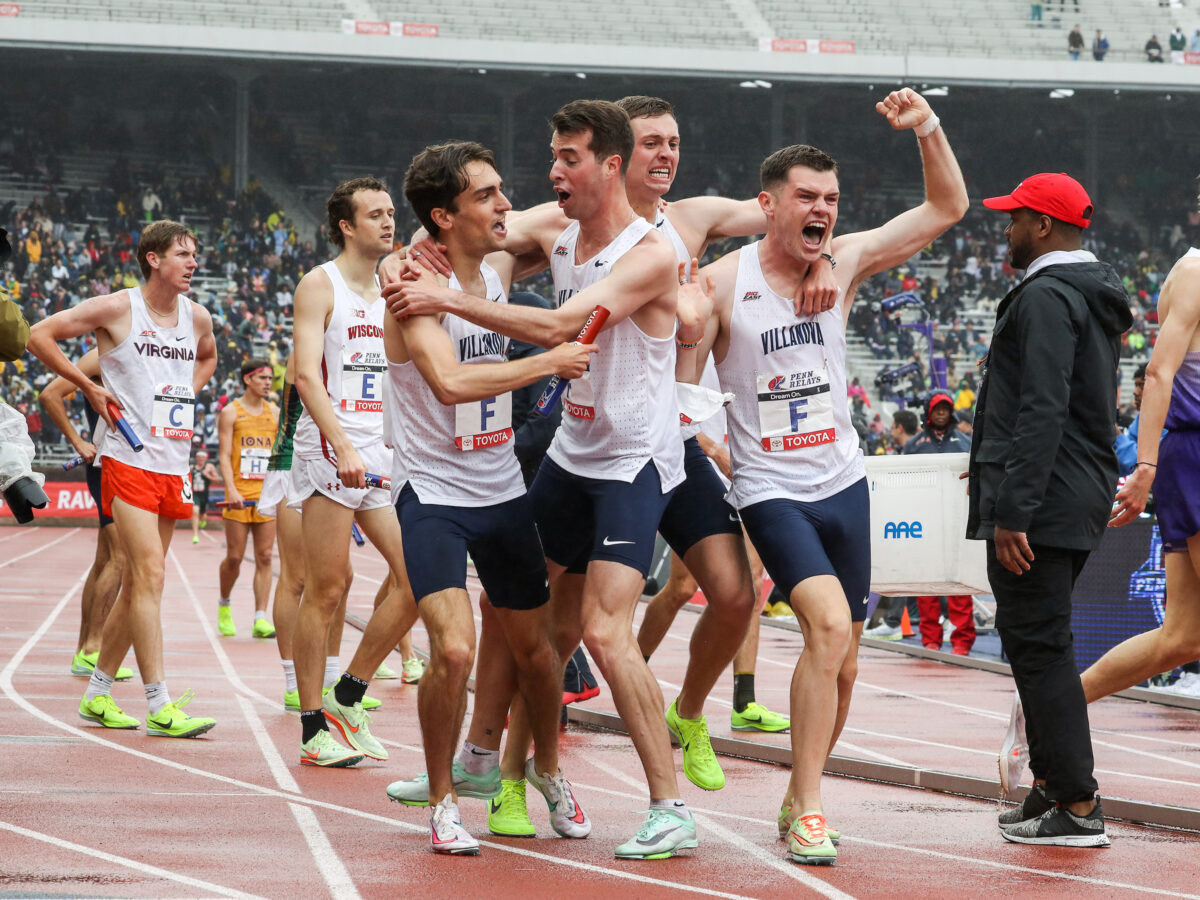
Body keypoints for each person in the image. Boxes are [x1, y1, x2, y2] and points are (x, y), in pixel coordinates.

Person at [387, 100, 703, 859]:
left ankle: (669, 805)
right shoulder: (556, 231)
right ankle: (478, 760)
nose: (551, 173)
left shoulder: (652, 251)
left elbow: (563, 330)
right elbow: (466, 230)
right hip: (569, 453)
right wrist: (413, 256)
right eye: (553, 157)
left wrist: (443, 296)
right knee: (512, 613)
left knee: (598, 629)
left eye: (567, 159)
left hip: (630, 460)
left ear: (610, 165)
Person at [682, 88, 967, 864]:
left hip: (843, 482)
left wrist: (927, 128)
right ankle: (808, 805)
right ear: (767, 205)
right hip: (771, 489)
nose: (822, 210)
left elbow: (947, 206)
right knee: (832, 626)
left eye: (832, 200)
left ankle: (797, 794)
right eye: (806, 197)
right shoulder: (718, 284)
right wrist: (715, 451)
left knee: (841, 664)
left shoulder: (840, 263)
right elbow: (684, 385)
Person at [384, 141, 596, 855]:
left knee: (539, 657)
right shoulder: (410, 289)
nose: (505, 204)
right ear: (445, 216)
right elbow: (448, 383)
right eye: (488, 195)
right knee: (451, 651)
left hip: (501, 486)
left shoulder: (494, 269)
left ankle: (547, 772)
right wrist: (549, 361)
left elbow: (551, 219)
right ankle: (444, 800)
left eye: (504, 191)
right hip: (434, 493)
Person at [971, 172, 1131, 847]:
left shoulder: (1045, 295)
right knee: (1040, 645)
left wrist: (1014, 510)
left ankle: (1077, 802)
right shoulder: (1090, 293)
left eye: (1014, 219)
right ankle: (1050, 783)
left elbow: (1042, 406)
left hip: (1043, 498)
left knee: (1042, 649)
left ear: (1041, 225)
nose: (1006, 230)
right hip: (1074, 488)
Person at [27, 219, 220, 738]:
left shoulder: (196, 316)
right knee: (150, 576)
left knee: (138, 582)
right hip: (127, 458)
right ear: (154, 258)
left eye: (195, 254)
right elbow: (38, 335)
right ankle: (159, 703)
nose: (193, 262)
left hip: (172, 463)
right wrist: (86, 388)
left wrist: (184, 389)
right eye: (183, 253)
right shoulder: (118, 308)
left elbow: (208, 357)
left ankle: (97, 695)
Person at [289, 176, 420, 768]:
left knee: (421, 575)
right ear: (347, 225)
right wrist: (340, 442)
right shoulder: (320, 285)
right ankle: (313, 726)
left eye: (391, 213)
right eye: (375, 215)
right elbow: (304, 375)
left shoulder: (398, 283)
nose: (388, 223)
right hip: (330, 449)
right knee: (329, 588)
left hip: (385, 449)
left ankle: (350, 693)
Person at [1090, 231, 1200, 707]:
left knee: (1181, 639)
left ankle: (1049, 713)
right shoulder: (1195, 275)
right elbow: (1158, 373)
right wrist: (1146, 465)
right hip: (1194, 452)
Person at [39, 348, 133, 682]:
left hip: (130, 465)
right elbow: (50, 394)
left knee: (106, 559)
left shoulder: (147, 351)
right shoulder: (100, 355)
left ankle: (84, 650)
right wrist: (78, 441)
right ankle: (94, 649)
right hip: (109, 465)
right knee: (120, 559)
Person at [904, 391, 975, 655]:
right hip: (925, 521)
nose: (942, 412)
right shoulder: (914, 444)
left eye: (946, 408)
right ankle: (930, 640)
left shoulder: (966, 441)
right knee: (927, 583)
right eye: (937, 408)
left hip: (957, 520)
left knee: (960, 583)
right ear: (928, 412)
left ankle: (962, 641)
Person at [216, 359, 278, 638]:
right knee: (234, 557)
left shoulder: (275, 413)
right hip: (239, 496)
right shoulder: (230, 412)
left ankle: (260, 617)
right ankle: (224, 603)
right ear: (247, 379)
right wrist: (232, 489)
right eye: (263, 377)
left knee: (265, 556)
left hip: (265, 496)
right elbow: (224, 456)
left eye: (271, 378)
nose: (268, 382)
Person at [189, 448, 218, 543]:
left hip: (205, 495)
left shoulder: (209, 467)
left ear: (205, 458)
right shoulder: (192, 467)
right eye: (199, 457)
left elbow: (217, 480)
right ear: (196, 458)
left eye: (202, 457)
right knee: (195, 512)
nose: (200, 459)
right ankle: (195, 535)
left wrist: (208, 475)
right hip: (195, 494)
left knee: (202, 515)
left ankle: (203, 520)